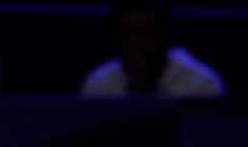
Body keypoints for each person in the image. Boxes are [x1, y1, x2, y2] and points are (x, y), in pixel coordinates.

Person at [78, 5, 228, 99]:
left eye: (147, 32)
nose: (138, 43)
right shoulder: (99, 85)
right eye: (129, 33)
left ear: (164, 36)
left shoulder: (201, 85)